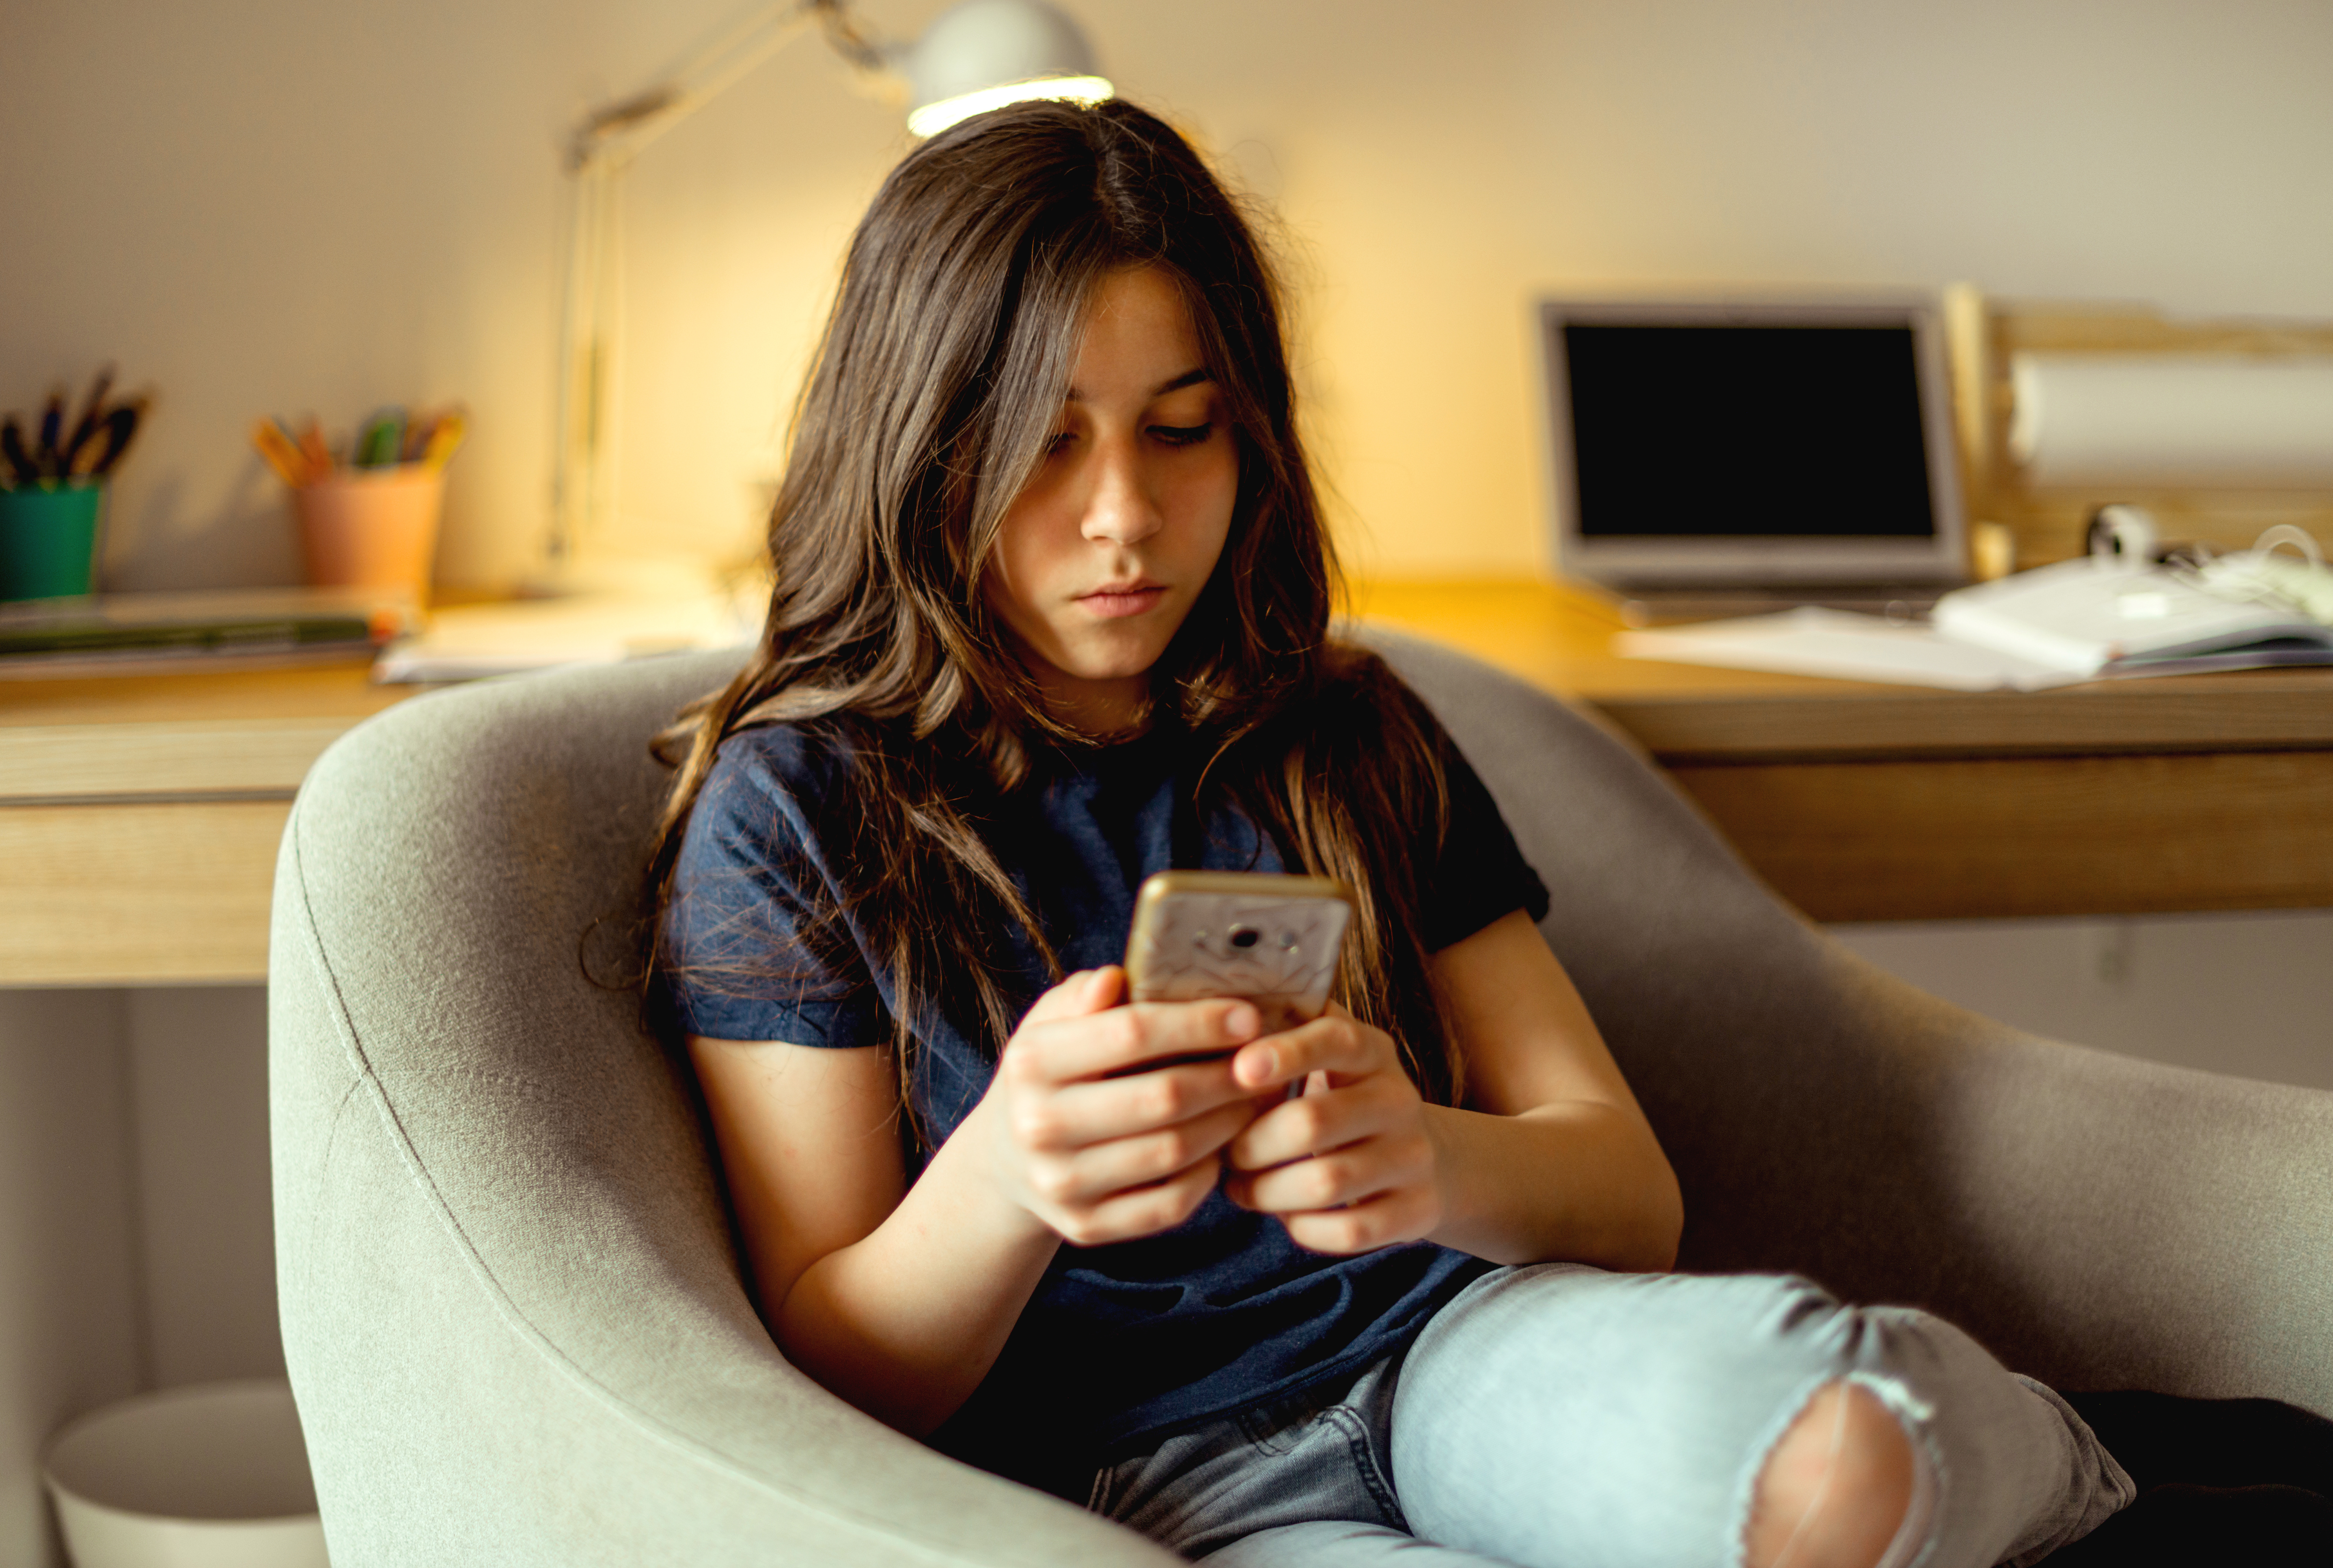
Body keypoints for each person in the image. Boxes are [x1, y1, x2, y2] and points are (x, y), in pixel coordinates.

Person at [649, 98, 2131, 1568]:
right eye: (1042, 447)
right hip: (1137, 1483)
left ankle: (2061, 1472)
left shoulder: (1340, 733)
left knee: (1844, 1452)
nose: (1125, 515)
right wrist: (1004, 1182)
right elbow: (825, 1375)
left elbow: (1628, 1190)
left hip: (1464, 1350)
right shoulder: (797, 814)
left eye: (1183, 431)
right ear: (912, 449)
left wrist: (1427, 1159)